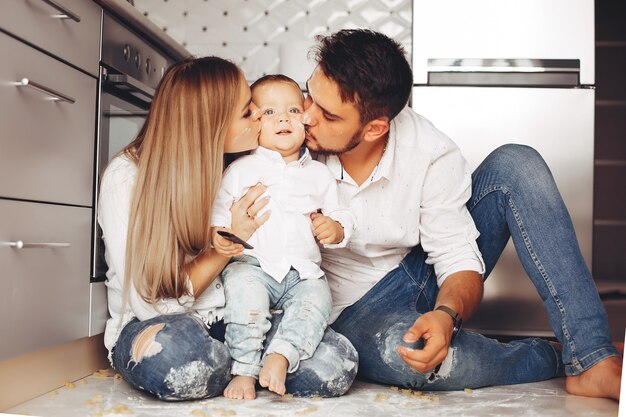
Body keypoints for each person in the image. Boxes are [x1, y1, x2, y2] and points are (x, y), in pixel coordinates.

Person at [298, 29, 622, 400]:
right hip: (354, 307)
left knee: (518, 164)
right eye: (309, 94)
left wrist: (446, 316)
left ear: (374, 128)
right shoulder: (290, 134)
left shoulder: (430, 151)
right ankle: (555, 356)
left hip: (419, 270)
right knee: (418, 358)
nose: (306, 117)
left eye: (328, 115)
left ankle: (592, 357)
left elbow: (456, 259)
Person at [97, 57, 358, 401]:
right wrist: (229, 244)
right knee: (176, 357)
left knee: (335, 364)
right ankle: (243, 363)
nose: (260, 118)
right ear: (211, 123)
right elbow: (154, 307)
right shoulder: (127, 179)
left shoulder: (232, 167)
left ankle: (242, 364)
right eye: (248, 112)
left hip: (229, 314)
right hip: (159, 321)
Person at [211, 74, 355, 400]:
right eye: (269, 112)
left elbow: (341, 212)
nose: (283, 119)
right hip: (252, 265)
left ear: (305, 120)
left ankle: (281, 354)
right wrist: (219, 235)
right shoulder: (241, 170)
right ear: (254, 124)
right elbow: (218, 212)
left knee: (317, 301)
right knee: (244, 302)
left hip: (302, 272)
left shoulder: (320, 174)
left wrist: (336, 227)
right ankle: (244, 369)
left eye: (292, 110)